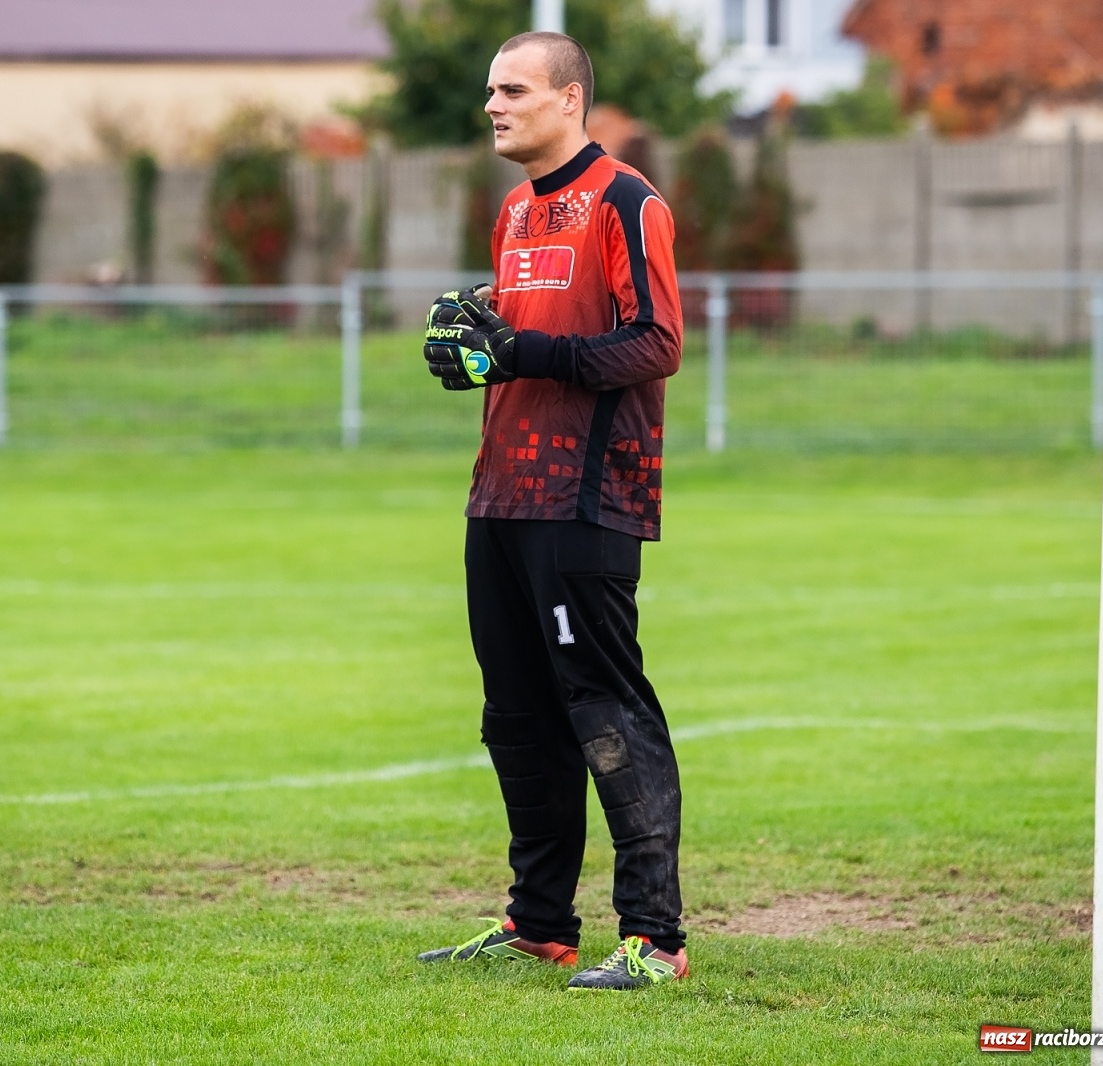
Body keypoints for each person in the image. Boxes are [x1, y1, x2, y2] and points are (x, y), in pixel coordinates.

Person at [416, 33, 685, 989]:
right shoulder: (516, 211)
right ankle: (540, 924)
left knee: (605, 708)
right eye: (490, 88)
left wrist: (524, 354)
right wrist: (475, 353)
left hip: (586, 492)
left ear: (569, 100)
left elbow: (655, 342)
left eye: (513, 89)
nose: (493, 105)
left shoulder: (624, 199)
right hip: (500, 495)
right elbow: (519, 339)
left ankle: (655, 941)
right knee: (516, 716)